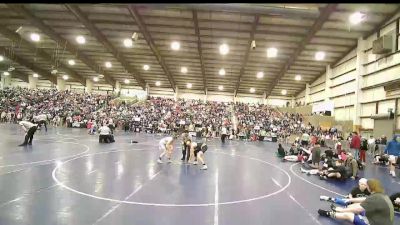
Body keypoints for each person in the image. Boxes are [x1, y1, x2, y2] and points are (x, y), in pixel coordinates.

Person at [318, 179, 394, 225]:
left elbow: (358, 209)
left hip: (375, 223)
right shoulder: (381, 195)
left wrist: (342, 210)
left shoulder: (375, 197)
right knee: (356, 206)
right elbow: (364, 199)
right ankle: (339, 209)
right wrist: (350, 200)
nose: (366, 188)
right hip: (380, 219)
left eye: (366, 186)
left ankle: (329, 213)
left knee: (348, 215)